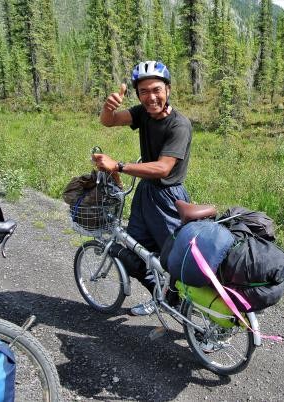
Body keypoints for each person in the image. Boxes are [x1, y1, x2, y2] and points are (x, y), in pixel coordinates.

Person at [92, 60, 192, 316]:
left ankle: (188, 308)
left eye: (156, 89)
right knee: (135, 251)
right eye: (144, 91)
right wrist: (108, 107)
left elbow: (163, 168)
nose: (151, 97)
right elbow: (109, 121)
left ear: (168, 90)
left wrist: (118, 166)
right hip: (146, 192)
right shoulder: (142, 114)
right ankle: (161, 297)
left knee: (174, 259)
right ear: (138, 94)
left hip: (169, 198)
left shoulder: (179, 125)